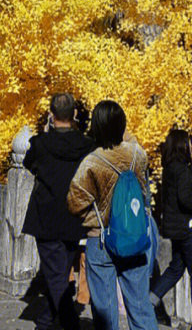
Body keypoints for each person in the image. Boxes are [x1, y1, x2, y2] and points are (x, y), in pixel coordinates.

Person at [66, 99, 158, 330]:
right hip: (135, 236)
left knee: (105, 313)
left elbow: (74, 203)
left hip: (101, 238)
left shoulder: (92, 162)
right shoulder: (138, 155)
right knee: (140, 305)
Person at [23, 91, 96, 330]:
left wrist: (46, 131)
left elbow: (28, 164)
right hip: (73, 217)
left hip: (46, 217)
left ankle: (67, 323)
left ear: (51, 115)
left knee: (56, 275)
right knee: (60, 272)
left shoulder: (41, 144)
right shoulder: (86, 146)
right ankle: (45, 322)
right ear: (74, 114)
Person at [152, 128, 192, 330]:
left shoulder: (168, 169)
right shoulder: (183, 171)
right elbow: (185, 199)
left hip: (175, 229)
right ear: (183, 146)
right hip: (188, 228)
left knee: (176, 268)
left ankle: (150, 300)